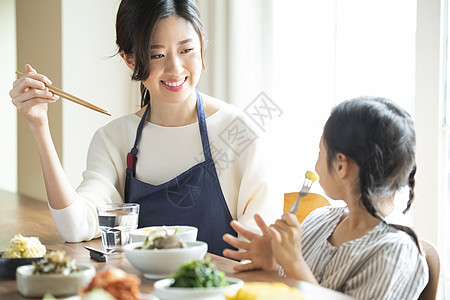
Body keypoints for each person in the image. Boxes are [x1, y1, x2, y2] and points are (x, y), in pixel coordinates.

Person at [9, 0, 282, 256]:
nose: (175, 68)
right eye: (157, 55)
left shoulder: (237, 132)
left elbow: (257, 248)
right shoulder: (114, 139)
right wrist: (39, 125)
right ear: (129, 59)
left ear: (201, 43)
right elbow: (76, 226)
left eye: (186, 50)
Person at [223, 96, 428, 299]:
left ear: (341, 165)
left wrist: (294, 263)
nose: (316, 164)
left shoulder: (395, 254)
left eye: (320, 152)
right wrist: (274, 267)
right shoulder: (320, 219)